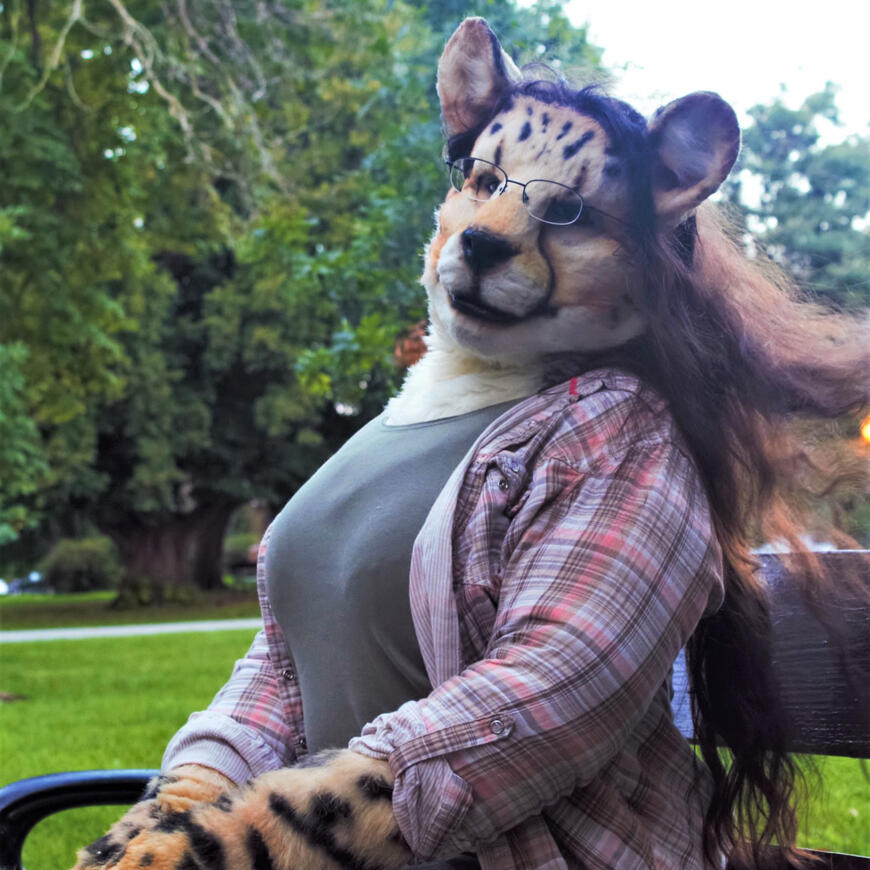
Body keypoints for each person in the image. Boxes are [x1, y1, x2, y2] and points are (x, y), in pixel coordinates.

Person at [75, 17, 868, 870]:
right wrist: (186, 800)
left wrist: (245, 842)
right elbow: (284, 661)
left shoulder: (621, 435)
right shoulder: (402, 420)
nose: (493, 227)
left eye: (568, 212)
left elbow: (547, 700)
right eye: (484, 178)